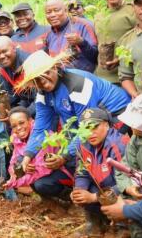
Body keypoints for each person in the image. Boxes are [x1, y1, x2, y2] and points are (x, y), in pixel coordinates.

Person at [16, 50, 131, 178]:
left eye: (46, 73)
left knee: (104, 156)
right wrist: (28, 155)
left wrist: (64, 156)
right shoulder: (42, 94)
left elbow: (87, 127)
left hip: (117, 114)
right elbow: (41, 127)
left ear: (55, 67)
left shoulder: (78, 85)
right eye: (37, 79)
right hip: (88, 121)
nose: (43, 82)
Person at [70, 108, 129, 237]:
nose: (90, 133)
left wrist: (93, 197)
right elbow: (82, 172)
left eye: (94, 126)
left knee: (121, 190)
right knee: (83, 191)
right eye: (85, 128)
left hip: (123, 192)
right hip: (103, 188)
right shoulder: (84, 144)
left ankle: (122, 226)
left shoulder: (118, 145)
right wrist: (79, 190)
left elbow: (126, 184)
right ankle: (96, 223)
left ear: (106, 125)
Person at [102, 93, 142, 237]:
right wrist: (130, 188)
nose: (132, 126)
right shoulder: (136, 139)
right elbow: (124, 168)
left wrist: (126, 211)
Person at [5, 107, 62, 195]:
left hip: (58, 170)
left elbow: (43, 169)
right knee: (19, 162)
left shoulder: (42, 135)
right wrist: (13, 175)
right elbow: (14, 161)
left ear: (31, 120)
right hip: (38, 171)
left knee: (40, 184)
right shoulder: (16, 138)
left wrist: (14, 183)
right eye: (14, 126)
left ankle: (66, 196)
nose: (18, 128)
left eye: (21, 123)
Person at [95, 0, 136, 84]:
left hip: (125, 79)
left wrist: (120, 59)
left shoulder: (133, 11)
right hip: (101, 78)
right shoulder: (99, 15)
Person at [44, 0, 98, 72]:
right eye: (48, 12)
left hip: (83, 79)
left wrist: (82, 42)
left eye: (56, 10)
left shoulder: (84, 25)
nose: (53, 15)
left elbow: (96, 57)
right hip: (59, 80)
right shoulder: (48, 33)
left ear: (66, 11)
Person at [117, 0, 142, 98]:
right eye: (140, 4)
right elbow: (125, 76)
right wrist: (135, 94)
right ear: (133, 7)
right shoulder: (126, 40)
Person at [0, 36, 35, 117]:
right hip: (25, 102)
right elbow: (12, 96)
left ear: (14, 48)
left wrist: (22, 115)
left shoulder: (29, 63)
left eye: (4, 51)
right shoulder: (3, 67)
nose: (1, 56)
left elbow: (41, 98)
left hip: (43, 104)